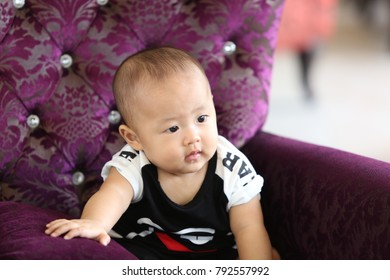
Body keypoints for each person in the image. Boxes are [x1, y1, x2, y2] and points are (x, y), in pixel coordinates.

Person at [45, 46, 274, 260]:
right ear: (135, 138)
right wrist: (95, 223)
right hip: (148, 250)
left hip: (214, 254)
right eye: (173, 128)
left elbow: (249, 227)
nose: (192, 136)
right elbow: (113, 193)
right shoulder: (134, 163)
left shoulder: (232, 168)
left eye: (201, 118)